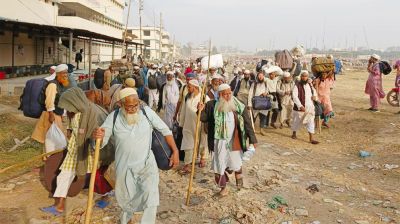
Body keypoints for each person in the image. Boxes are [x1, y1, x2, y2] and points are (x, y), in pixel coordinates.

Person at [92, 88, 179, 224]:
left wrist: (175, 151)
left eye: (135, 105)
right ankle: (127, 220)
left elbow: (165, 130)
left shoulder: (146, 113)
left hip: (146, 166)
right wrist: (99, 137)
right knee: (127, 201)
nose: (133, 109)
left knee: (151, 198)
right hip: (125, 169)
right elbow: (101, 140)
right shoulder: (113, 117)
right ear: (120, 104)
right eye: (129, 106)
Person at [41, 87, 105, 215]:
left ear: (75, 102)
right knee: (64, 175)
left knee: (98, 176)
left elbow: (98, 133)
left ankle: (106, 197)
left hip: (88, 150)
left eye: (69, 106)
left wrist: (96, 138)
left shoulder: (91, 112)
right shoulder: (73, 113)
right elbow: (70, 130)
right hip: (73, 150)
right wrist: (69, 140)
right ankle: (59, 205)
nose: (67, 109)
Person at [198, 84, 257, 197]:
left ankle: (239, 181)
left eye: (229, 93)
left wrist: (253, 139)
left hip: (234, 140)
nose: (228, 96)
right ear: (220, 95)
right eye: (225, 94)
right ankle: (223, 189)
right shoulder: (212, 105)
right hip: (218, 142)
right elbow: (203, 118)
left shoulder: (238, 105)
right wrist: (200, 110)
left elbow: (247, 122)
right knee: (219, 165)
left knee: (236, 162)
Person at [32, 64, 70, 144]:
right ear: (58, 74)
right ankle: (47, 156)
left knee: (56, 139)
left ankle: (52, 155)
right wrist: (51, 115)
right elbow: (49, 101)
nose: (65, 75)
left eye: (66, 73)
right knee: (51, 139)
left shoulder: (61, 84)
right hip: (51, 114)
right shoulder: (52, 85)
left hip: (58, 113)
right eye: (63, 73)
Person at [180, 80, 208, 173]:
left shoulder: (204, 98)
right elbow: (183, 110)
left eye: (189, 87)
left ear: (195, 87)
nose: (188, 89)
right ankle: (187, 164)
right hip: (188, 125)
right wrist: (181, 123)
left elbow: (208, 113)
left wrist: (203, 108)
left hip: (200, 125)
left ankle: (202, 157)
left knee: (201, 142)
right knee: (188, 144)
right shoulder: (187, 97)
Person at [291, 71, 319, 144]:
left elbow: (314, 92)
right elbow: (294, 96)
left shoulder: (310, 85)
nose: (304, 77)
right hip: (300, 108)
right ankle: (294, 133)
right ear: (301, 77)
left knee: (310, 122)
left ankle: (311, 138)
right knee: (296, 121)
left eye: (305, 76)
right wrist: (300, 106)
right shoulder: (297, 85)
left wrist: (315, 97)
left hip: (310, 107)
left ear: (307, 77)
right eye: (303, 76)